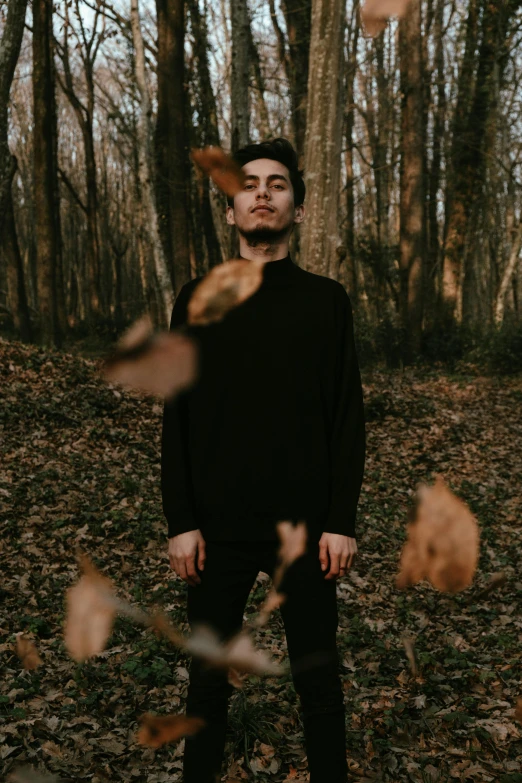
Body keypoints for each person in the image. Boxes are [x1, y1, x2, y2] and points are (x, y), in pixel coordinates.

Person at [161, 138, 365, 783]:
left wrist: (341, 521)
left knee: (319, 682)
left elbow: (346, 418)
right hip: (216, 531)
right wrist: (180, 521)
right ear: (231, 209)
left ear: (297, 210)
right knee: (207, 686)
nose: (262, 194)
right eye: (249, 184)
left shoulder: (326, 302)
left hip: (305, 530)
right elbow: (178, 416)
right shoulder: (197, 297)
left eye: (278, 185)